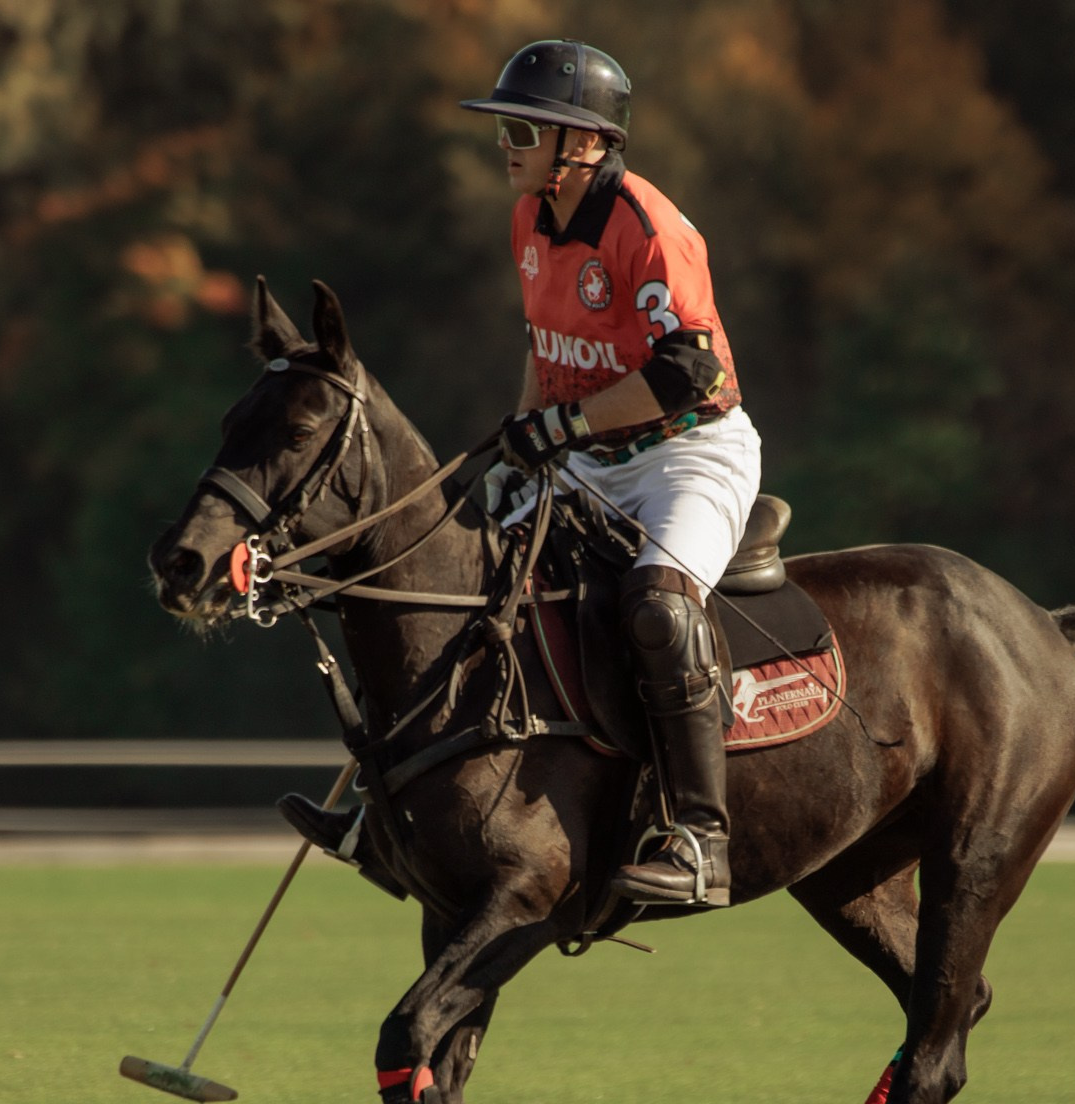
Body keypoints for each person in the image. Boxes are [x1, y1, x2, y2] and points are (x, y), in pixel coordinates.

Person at [284, 38, 759, 908]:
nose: (505, 142)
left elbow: (686, 372)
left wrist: (565, 425)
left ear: (583, 143)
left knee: (656, 606)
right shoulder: (529, 220)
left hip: (686, 454)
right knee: (462, 573)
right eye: (505, 126)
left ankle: (700, 839)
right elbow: (549, 349)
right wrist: (521, 436)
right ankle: (385, 810)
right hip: (583, 456)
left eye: (523, 128)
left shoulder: (647, 225)